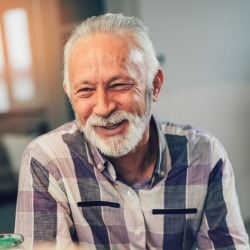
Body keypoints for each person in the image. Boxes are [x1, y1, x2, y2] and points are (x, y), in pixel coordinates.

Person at [15, 13, 249, 250]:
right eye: (85, 90)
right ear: (69, 93)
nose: (103, 108)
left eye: (119, 85)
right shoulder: (47, 160)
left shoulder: (205, 156)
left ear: (154, 85)